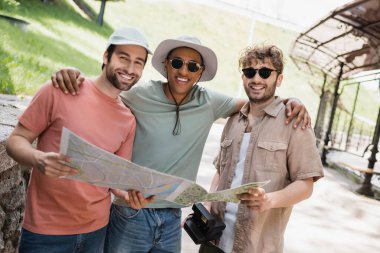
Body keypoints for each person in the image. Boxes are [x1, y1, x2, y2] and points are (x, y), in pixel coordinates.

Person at [52, 36, 311, 253]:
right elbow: (102, 90)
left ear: (200, 73)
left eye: (192, 66)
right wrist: (73, 75)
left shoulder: (209, 101)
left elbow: (258, 103)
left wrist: (292, 100)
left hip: (172, 217)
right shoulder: (139, 94)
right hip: (132, 211)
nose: (184, 71)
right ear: (166, 65)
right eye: (177, 63)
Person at [5, 26, 154, 253]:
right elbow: (15, 140)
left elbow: (116, 180)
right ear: (106, 56)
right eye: (123, 58)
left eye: (138, 62)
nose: (130, 68)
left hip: (96, 231)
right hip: (46, 231)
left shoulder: (128, 120)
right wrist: (38, 158)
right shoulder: (61, 89)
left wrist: (130, 195)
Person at [208, 44, 324, 253]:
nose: (257, 79)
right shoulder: (233, 120)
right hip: (213, 241)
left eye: (265, 72)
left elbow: (306, 185)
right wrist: (209, 203)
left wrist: (269, 201)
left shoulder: (294, 122)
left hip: (257, 245)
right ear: (243, 77)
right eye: (250, 72)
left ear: (279, 79)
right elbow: (220, 171)